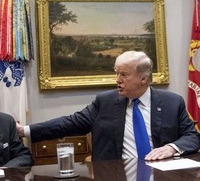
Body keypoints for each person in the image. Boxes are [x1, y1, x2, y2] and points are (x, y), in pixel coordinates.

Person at [17, 50, 200, 161]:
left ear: (143, 79)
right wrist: (24, 130)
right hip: (116, 177)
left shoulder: (172, 103)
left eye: (124, 75)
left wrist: (171, 148)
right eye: (117, 74)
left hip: (164, 178)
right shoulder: (105, 102)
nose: (117, 80)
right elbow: (70, 123)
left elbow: (192, 136)